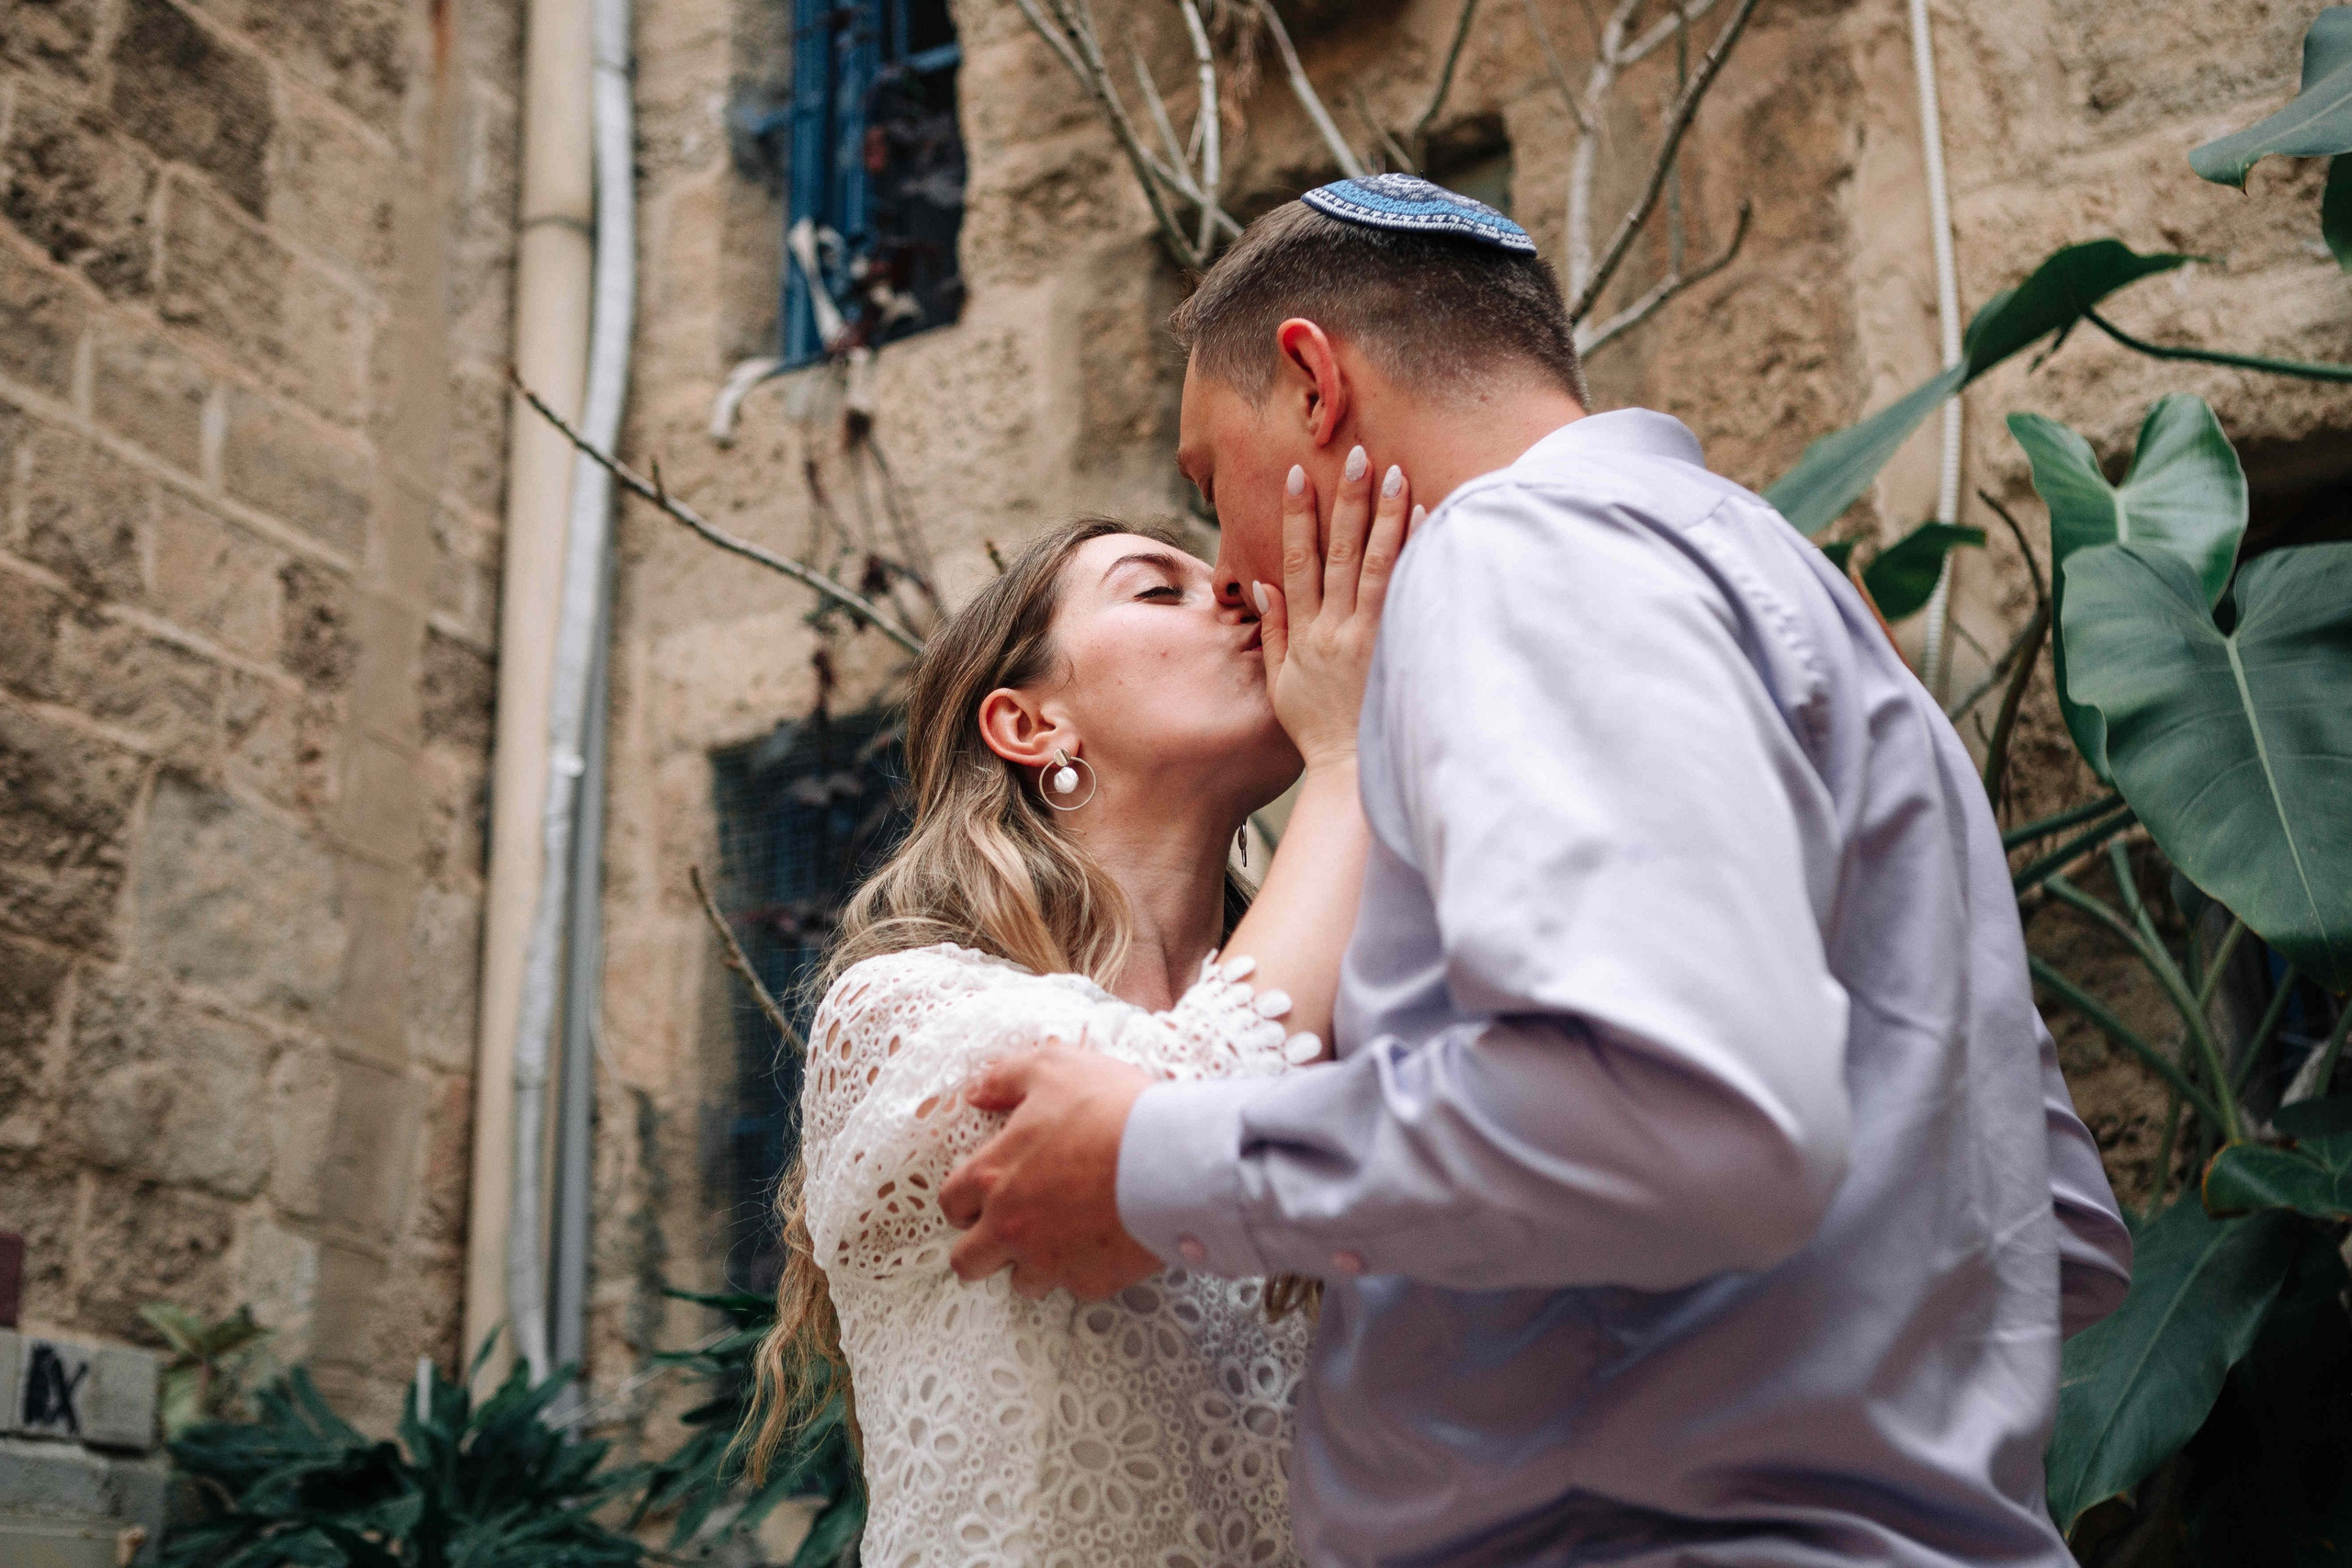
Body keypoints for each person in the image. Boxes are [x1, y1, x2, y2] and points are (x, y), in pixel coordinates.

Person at [936, 175, 2136, 1567]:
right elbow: (2058, 1226)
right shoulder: (1808, 607)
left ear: (1314, 385)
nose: (1233, 567)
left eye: (1215, 486)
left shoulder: (1518, 550)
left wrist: (1157, 1158)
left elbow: (1696, 1111)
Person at [741, 491, 1418, 1566]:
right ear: (1028, 723)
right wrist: (1344, 764)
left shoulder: (1368, 1011)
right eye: (1161, 586)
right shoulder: (903, 1013)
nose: (1236, 594)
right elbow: (1179, 1112)